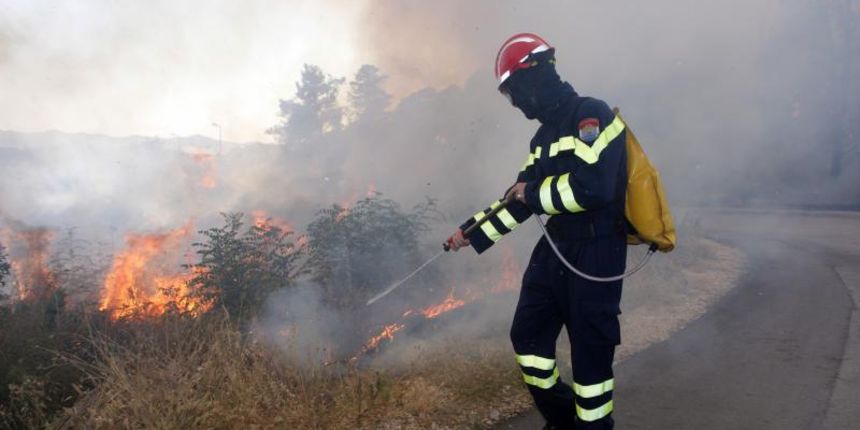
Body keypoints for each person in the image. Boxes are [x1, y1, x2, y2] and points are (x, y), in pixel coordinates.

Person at [446, 33, 629, 429]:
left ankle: (593, 425)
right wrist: (470, 233)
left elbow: (594, 188)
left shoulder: (592, 115)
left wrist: (532, 192)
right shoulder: (542, 138)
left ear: (533, 77)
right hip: (556, 250)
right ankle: (561, 418)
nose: (516, 104)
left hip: (596, 252)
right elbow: (519, 200)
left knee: (589, 353)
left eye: (514, 92)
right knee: (526, 338)